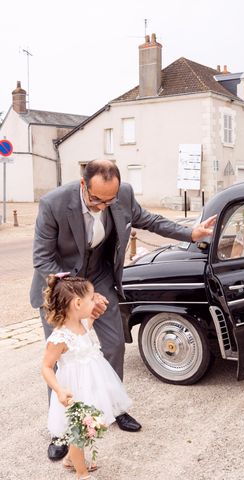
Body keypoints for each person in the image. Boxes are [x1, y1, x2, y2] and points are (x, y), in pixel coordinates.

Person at [30, 159, 216, 460]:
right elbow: (42, 260)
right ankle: (62, 430)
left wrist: (191, 234)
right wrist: (82, 295)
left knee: (115, 344)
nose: (103, 206)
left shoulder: (124, 194)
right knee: (60, 358)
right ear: (83, 185)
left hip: (100, 277)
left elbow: (151, 221)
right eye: (96, 200)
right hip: (61, 287)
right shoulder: (53, 203)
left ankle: (114, 409)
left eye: (110, 200)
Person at [41, 274, 131, 479]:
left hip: (91, 384)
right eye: (91, 299)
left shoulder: (80, 324)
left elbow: (86, 332)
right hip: (74, 390)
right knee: (78, 433)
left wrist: (92, 316)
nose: (94, 301)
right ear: (78, 303)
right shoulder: (59, 337)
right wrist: (59, 390)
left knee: (86, 428)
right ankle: (82, 474)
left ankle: (69, 460)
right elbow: (46, 367)